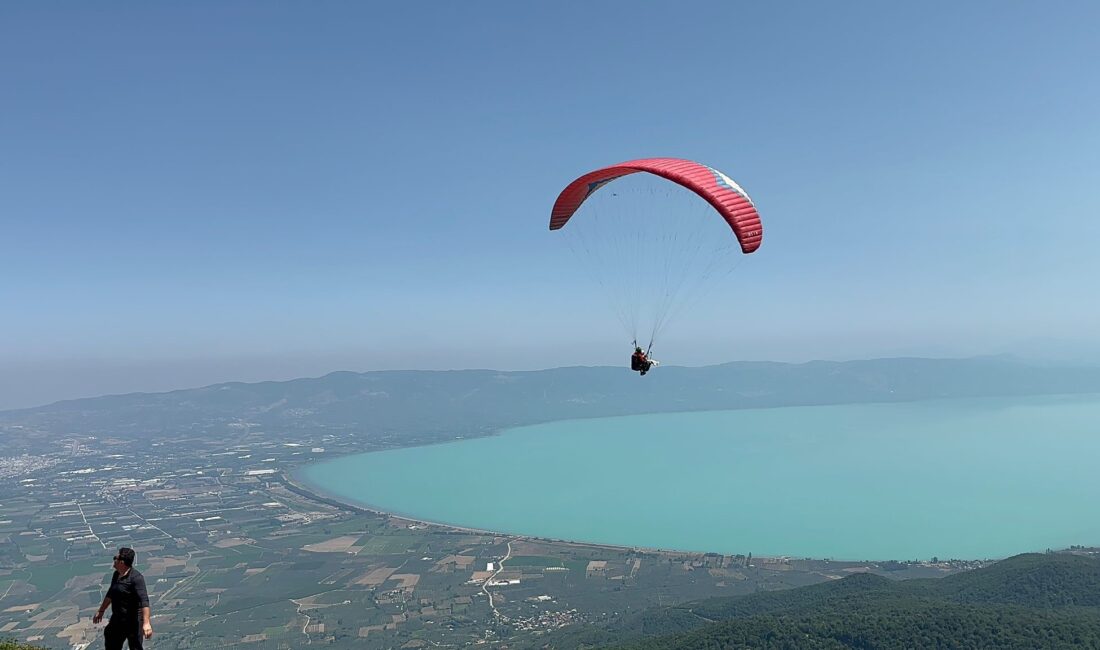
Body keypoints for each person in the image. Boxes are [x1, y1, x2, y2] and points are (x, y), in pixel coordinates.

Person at [93, 547, 152, 649]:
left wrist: (146, 623)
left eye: (116, 558)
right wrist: (101, 610)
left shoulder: (136, 578)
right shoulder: (117, 575)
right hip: (118, 618)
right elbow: (111, 593)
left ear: (122, 562)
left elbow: (144, 601)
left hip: (133, 621)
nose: (114, 560)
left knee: (135, 646)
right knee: (110, 639)